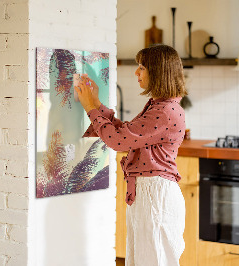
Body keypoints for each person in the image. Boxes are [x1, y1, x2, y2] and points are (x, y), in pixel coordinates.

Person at [75, 44, 187, 266]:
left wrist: (90, 108)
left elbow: (118, 141)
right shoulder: (160, 106)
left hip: (155, 195)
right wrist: (97, 104)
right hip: (150, 193)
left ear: (157, 72)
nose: (136, 72)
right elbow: (126, 133)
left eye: (142, 67)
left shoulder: (164, 111)